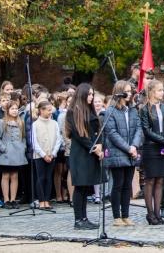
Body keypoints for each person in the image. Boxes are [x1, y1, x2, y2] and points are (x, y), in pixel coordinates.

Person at [66, 83, 104, 229]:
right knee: (80, 187)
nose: (91, 97)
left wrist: (100, 144)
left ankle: (85, 217)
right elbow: (79, 135)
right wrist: (94, 148)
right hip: (81, 153)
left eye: (92, 94)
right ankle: (78, 219)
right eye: (89, 94)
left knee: (86, 186)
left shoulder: (90, 111)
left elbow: (97, 131)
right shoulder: (72, 112)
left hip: (91, 152)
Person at [103, 80, 142, 226]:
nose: (130, 94)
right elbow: (112, 133)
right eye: (127, 91)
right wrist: (128, 148)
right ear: (119, 92)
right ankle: (116, 216)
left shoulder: (132, 110)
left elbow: (138, 128)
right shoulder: (111, 110)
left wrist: (134, 146)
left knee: (127, 185)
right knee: (118, 184)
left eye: (130, 91)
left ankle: (126, 215)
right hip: (118, 152)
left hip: (130, 152)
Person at [139, 80, 164, 225]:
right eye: (159, 90)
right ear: (152, 92)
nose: (162, 92)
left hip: (163, 147)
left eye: (162, 90)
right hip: (151, 147)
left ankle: (158, 213)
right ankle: (150, 213)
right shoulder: (145, 109)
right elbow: (147, 131)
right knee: (151, 179)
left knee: (160, 180)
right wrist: (163, 141)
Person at [31, 100, 61, 211]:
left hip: (51, 155)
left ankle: (47, 201)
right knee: (41, 178)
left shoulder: (54, 123)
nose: (50, 112)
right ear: (41, 111)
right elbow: (34, 142)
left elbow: (58, 139)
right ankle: (41, 200)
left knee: (48, 178)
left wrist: (53, 153)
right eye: (48, 110)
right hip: (39, 156)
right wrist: (43, 155)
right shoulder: (35, 124)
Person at [52, 91, 70, 204]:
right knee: (59, 170)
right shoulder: (61, 115)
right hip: (61, 146)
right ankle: (58, 194)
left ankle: (64, 193)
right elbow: (59, 131)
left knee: (66, 170)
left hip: (69, 147)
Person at [58, 93, 75, 207]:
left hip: (81, 149)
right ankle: (72, 197)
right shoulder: (65, 116)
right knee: (70, 172)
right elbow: (65, 134)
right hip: (70, 148)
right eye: (69, 101)